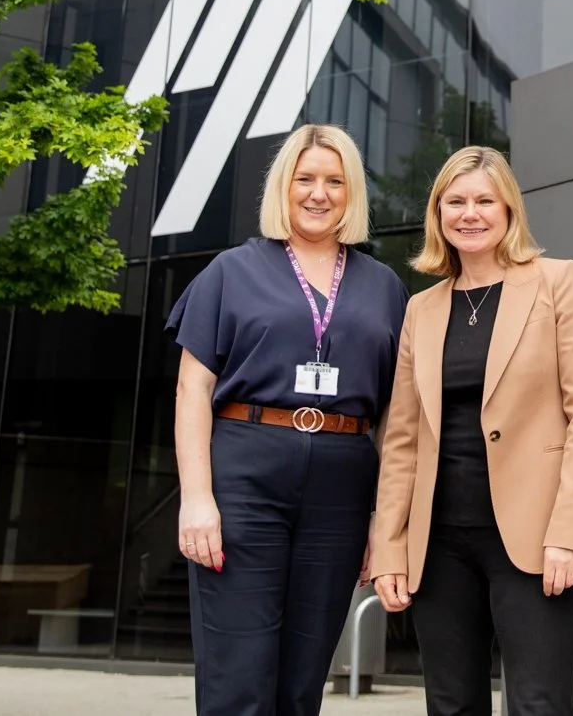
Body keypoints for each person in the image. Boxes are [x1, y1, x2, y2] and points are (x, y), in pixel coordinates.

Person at [167, 124, 409, 716]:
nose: (319, 194)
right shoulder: (230, 271)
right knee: (239, 677)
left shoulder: (385, 288)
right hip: (246, 473)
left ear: (352, 193)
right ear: (284, 186)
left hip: (341, 485)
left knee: (302, 682)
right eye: (305, 179)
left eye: (335, 181)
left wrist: (383, 521)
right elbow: (192, 389)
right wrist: (197, 498)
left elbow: (396, 417)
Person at [369, 146, 573, 716]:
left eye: (485, 200)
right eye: (455, 201)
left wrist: (570, 532)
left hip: (535, 537)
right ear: (437, 213)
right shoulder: (421, 310)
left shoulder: (558, 282)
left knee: (538, 704)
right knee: (451, 706)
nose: (469, 214)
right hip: (438, 544)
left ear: (509, 209)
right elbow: (402, 438)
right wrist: (389, 547)